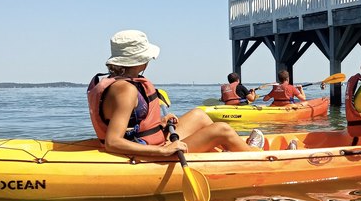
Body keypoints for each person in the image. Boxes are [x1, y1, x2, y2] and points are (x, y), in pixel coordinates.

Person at [88, 30, 265, 156]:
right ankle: (253, 155)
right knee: (222, 129)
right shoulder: (125, 89)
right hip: (149, 151)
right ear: (140, 60)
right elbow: (113, 142)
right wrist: (161, 150)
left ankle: (228, 151)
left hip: (152, 140)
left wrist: (159, 123)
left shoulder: (117, 82)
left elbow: (131, 124)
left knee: (199, 115)